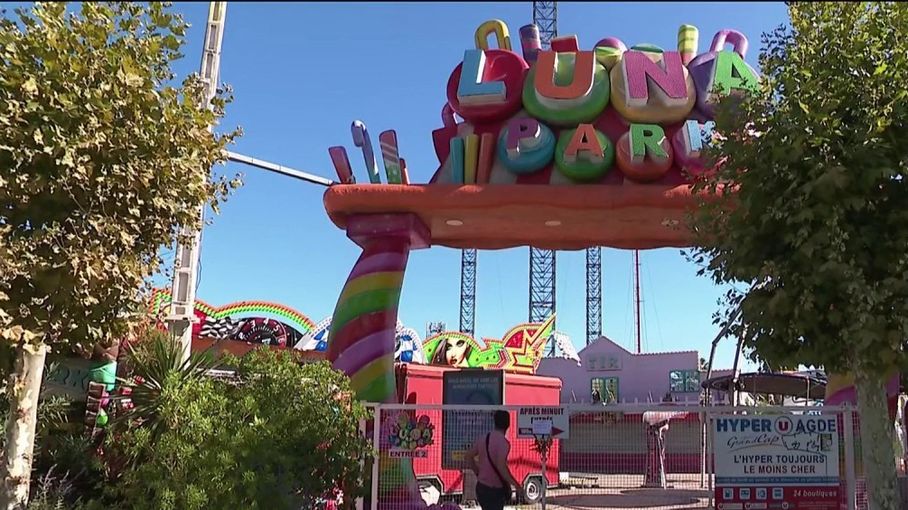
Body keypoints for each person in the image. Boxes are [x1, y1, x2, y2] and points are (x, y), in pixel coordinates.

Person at [466, 410, 524, 509]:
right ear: (508, 424)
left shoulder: (483, 438)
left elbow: (468, 456)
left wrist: (477, 472)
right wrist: (516, 485)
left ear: (495, 422)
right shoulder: (504, 444)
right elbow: (501, 467)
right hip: (495, 490)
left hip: (481, 487)